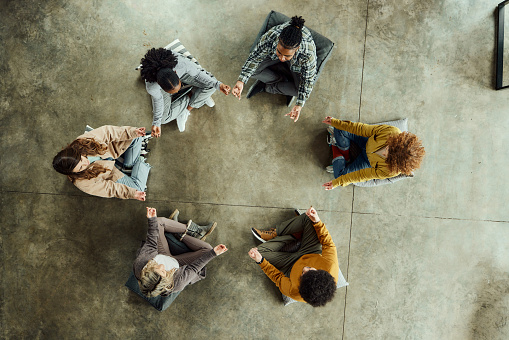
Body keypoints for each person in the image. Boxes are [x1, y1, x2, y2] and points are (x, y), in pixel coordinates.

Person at [232, 15, 317, 123]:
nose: (282, 58)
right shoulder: (270, 37)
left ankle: (269, 87)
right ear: (277, 41)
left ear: (297, 49)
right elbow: (254, 58)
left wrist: (299, 104)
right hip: (271, 56)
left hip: (297, 67)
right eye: (279, 52)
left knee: (299, 91)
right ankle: (278, 79)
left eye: (287, 56)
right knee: (252, 71)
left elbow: (308, 80)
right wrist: (241, 81)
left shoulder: (308, 54)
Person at [248, 207, 338, 307]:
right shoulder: (331, 266)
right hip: (310, 250)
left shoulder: (294, 292)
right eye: (309, 269)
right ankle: (276, 233)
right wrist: (317, 221)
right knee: (309, 218)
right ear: (320, 271)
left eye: (302, 274)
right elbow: (328, 244)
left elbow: (278, 277)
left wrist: (260, 261)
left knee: (258, 252)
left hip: (289, 265)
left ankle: (295, 235)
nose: (304, 268)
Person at [135, 207, 228, 298]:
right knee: (208, 250)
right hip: (179, 264)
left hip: (161, 253)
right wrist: (214, 253)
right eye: (163, 271)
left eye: (155, 266)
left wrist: (151, 220)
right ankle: (178, 233)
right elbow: (193, 268)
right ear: (166, 280)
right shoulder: (177, 283)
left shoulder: (141, 263)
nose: (162, 266)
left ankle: (194, 231)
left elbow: (151, 242)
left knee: (157, 222)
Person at [140, 47, 231, 136]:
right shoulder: (152, 87)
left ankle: (187, 109)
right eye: (173, 92)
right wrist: (156, 123)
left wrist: (218, 84)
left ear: (176, 73)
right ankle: (195, 95)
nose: (177, 92)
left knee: (213, 84)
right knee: (163, 119)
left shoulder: (181, 64)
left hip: (184, 73)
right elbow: (158, 100)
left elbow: (198, 74)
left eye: (178, 88)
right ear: (161, 87)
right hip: (164, 82)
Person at [321, 116, 425, 189]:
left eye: (387, 158)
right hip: (366, 141)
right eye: (388, 149)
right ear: (395, 141)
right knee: (339, 128)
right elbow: (361, 128)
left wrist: (338, 182)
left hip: (366, 161)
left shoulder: (391, 171)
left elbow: (362, 175)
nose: (384, 153)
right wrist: (336, 122)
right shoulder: (391, 132)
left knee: (339, 178)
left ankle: (336, 147)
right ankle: (344, 156)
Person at [52, 125, 151, 201]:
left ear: (77, 153)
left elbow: (108, 132)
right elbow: (109, 189)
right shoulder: (83, 183)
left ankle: (130, 165)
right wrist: (131, 193)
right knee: (138, 189)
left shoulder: (83, 142)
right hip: (111, 173)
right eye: (81, 168)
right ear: (75, 172)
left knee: (135, 136)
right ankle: (139, 162)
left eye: (81, 159)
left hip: (113, 150)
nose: (86, 163)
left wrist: (132, 132)